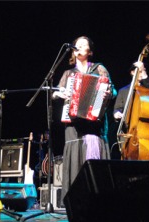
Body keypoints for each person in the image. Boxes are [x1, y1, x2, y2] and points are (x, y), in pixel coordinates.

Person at [52, 36, 117, 199]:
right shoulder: (68, 74)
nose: (79, 47)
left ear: (90, 51)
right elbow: (54, 93)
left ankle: (97, 199)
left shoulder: (99, 69)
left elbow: (113, 91)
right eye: (77, 45)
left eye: (84, 44)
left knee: (94, 163)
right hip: (74, 127)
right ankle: (76, 201)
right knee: (76, 161)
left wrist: (108, 93)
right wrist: (61, 93)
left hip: (94, 125)